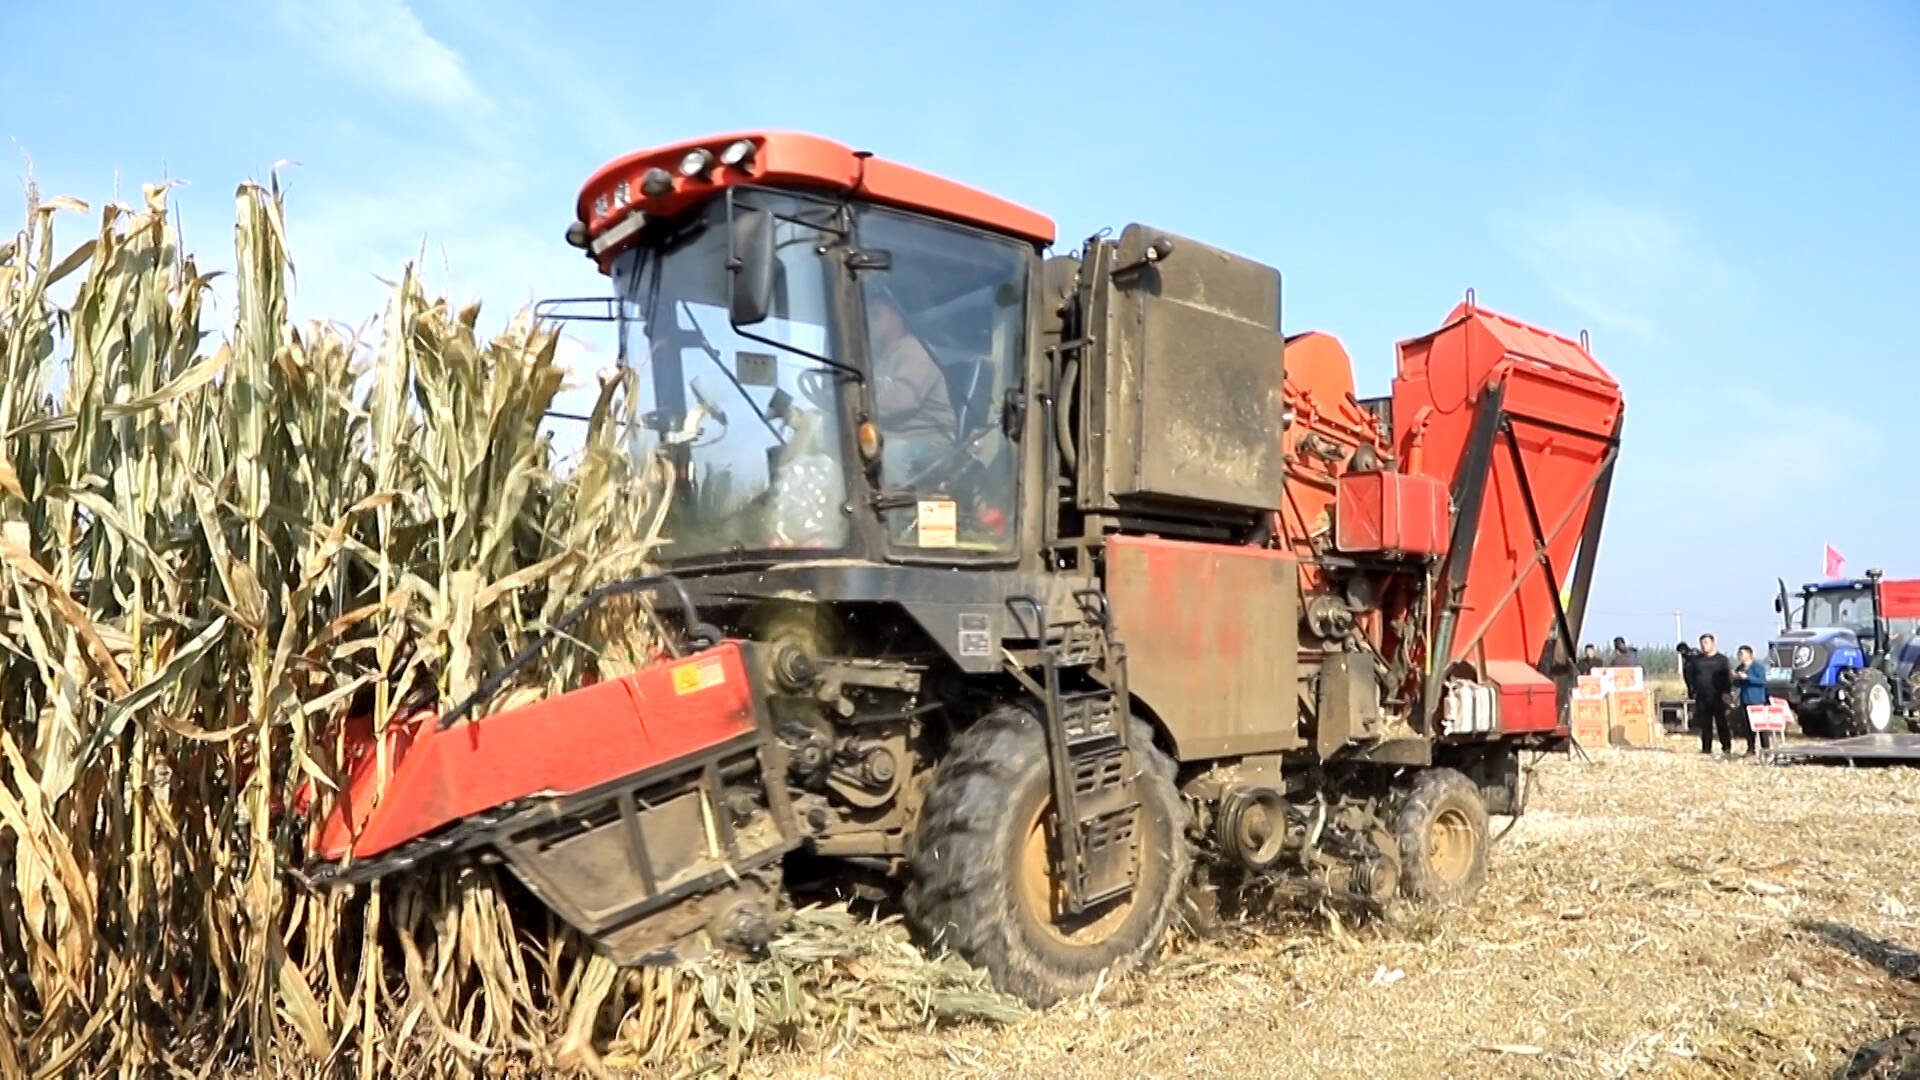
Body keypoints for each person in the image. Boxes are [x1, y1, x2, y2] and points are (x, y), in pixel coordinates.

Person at [866, 286, 956, 481]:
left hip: (929, 440)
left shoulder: (915, 350)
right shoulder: (882, 358)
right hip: (897, 436)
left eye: (876, 315)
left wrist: (860, 404)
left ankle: (894, 511)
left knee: (888, 453)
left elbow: (904, 399)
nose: (871, 322)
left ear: (898, 317)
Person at [1692, 633, 1734, 755]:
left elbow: (1727, 677)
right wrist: (1693, 690)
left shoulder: (1722, 660)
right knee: (1705, 724)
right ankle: (1706, 748)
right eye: (1702, 643)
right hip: (1702, 696)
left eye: (1706, 643)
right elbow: (1691, 676)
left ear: (1713, 643)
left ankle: (1726, 747)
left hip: (1718, 696)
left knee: (1722, 723)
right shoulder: (1697, 661)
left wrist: (1726, 692)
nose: (1704, 646)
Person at [1734, 644, 1772, 755]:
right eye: (1739, 654)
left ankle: (1766, 749)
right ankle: (1750, 748)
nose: (1739, 656)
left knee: (1761, 727)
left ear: (1749, 655)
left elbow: (1762, 681)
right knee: (1747, 726)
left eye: (1742, 653)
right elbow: (1738, 684)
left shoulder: (1757, 667)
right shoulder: (1740, 668)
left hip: (1757, 700)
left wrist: (1748, 678)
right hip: (1745, 700)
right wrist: (1735, 678)